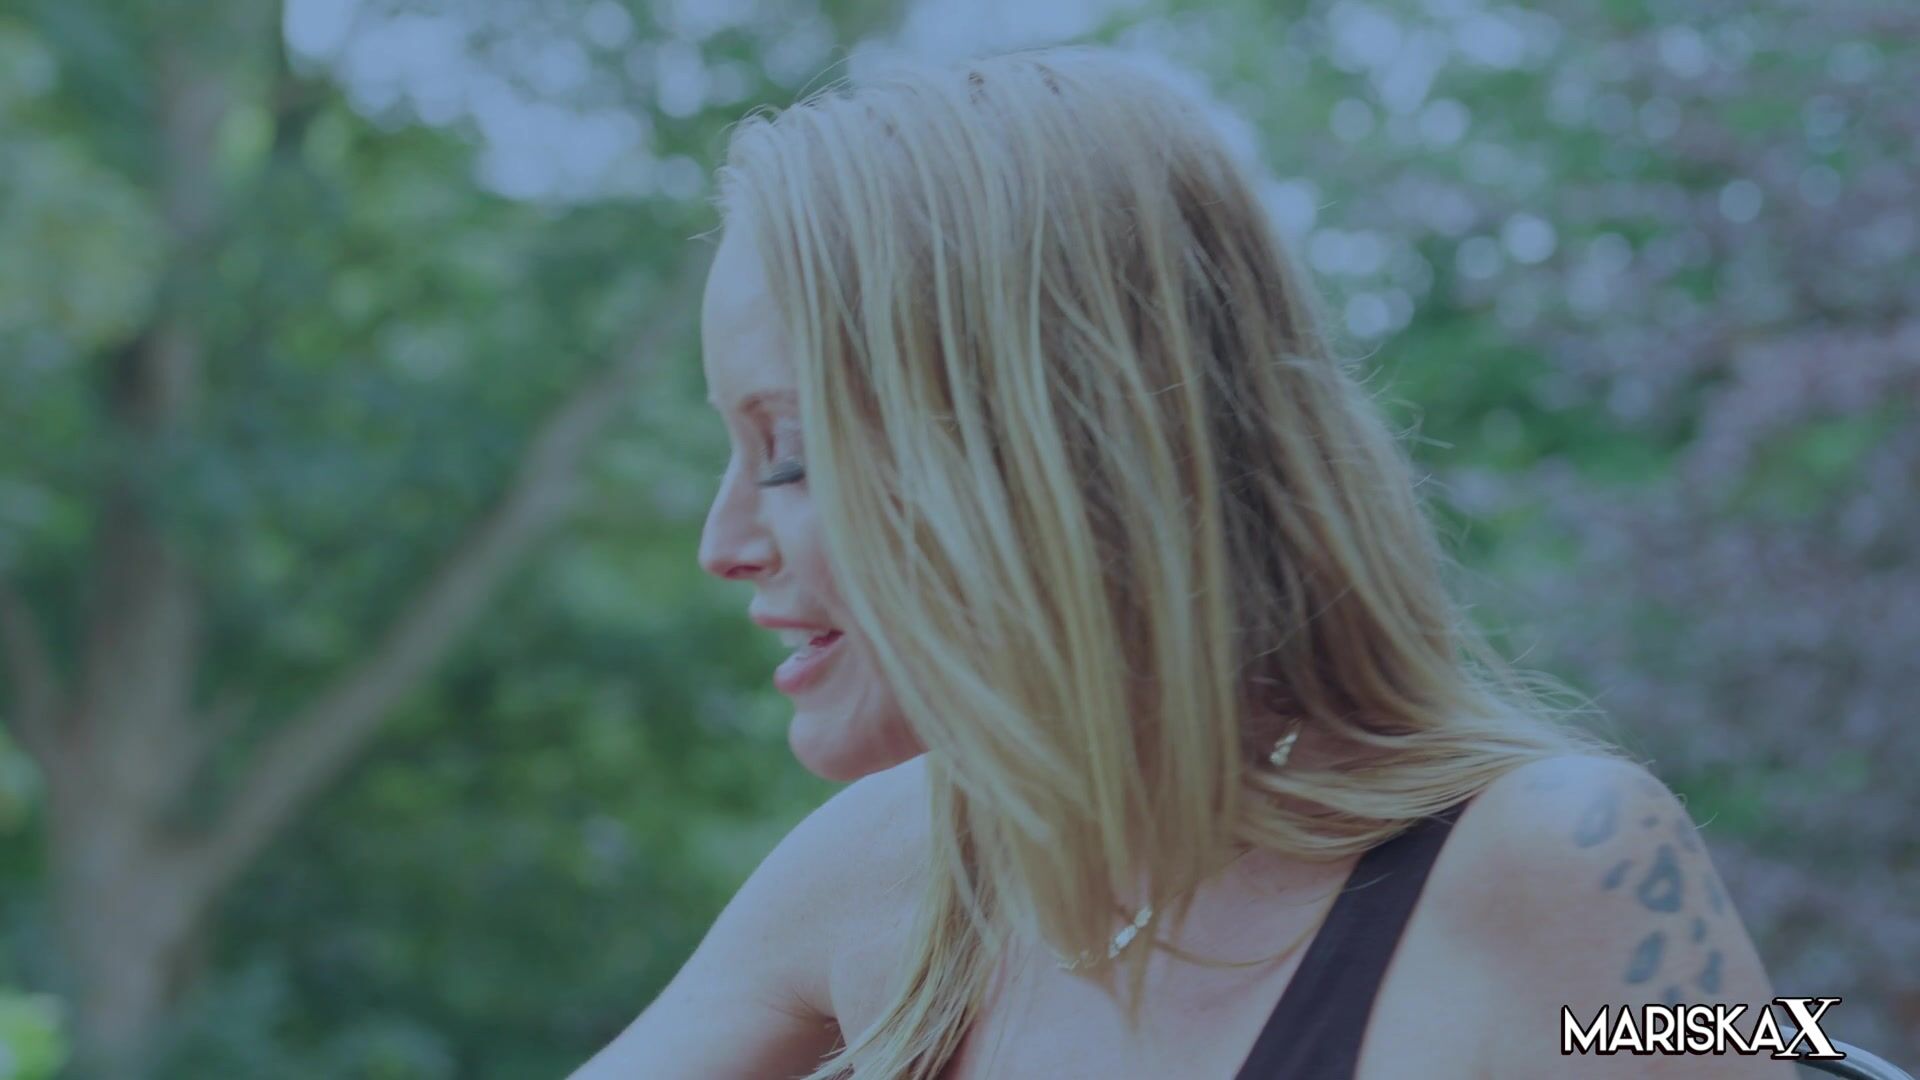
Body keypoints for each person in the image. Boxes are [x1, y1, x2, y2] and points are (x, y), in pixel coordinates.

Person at [573, 44, 1791, 1079]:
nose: (721, 545)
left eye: (790, 453)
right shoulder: (889, 866)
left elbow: (1760, 1042)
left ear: (1049, 450)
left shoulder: (1566, 864)